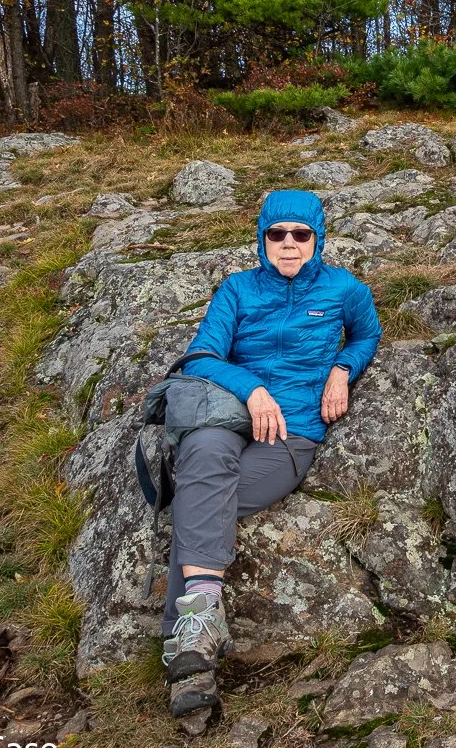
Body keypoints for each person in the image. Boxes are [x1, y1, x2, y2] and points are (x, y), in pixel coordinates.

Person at [159, 188, 381, 718]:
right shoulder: (236, 290)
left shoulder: (345, 289)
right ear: (262, 239)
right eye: (276, 234)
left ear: (317, 239)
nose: (288, 244)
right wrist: (253, 390)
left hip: (293, 434)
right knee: (205, 456)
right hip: (228, 419)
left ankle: (185, 651)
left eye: (300, 235)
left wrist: (342, 368)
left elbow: (367, 334)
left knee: (199, 500)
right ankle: (194, 658)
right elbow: (202, 356)